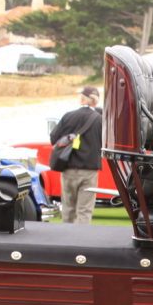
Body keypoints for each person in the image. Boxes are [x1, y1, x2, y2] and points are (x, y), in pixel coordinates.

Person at [48, 86, 103, 225]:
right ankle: (81, 243)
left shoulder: (68, 116)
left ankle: (66, 242)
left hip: (68, 168)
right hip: (89, 171)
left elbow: (53, 137)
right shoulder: (100, 120)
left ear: (82, 99)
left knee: (68, 210)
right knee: (84, 211)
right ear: (95, 101)